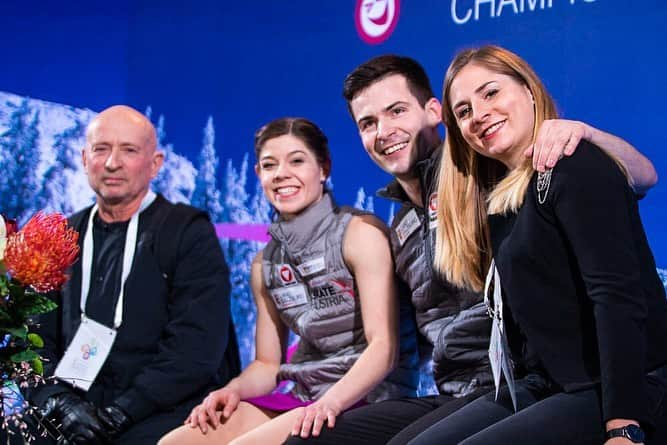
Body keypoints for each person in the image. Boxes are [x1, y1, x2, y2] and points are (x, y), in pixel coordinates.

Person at [284, 55, 658, 445]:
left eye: (396, 111)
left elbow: (640, 183)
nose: (385, 131)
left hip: (524, 382)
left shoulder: (501, 175)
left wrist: (584, 133)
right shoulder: (415, 221)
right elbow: (389, 342)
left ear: (434, 115)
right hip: (479, 389)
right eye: (368, 123)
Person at [414, 44, 667, 445]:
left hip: (625, 386)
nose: (478, 115)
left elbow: (617, 297)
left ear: (529, 90)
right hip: (549, 384)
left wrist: (624, 425)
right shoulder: (500, 199)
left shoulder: (572, 164)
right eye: (463, 111)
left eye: (490, 93)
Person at [158, 117, 419, 445]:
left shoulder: (360, 234)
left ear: (323, 168)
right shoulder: (264, 264)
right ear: (259, 175)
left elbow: (384, 347)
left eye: (297, 161)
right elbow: (268, 364)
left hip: (368, 397)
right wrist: (231, 390)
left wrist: (330, 403)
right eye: (269, 165)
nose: (281, 173)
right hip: (304, 393)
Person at [29, 105, 239, 444]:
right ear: (85, 159)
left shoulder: (187, 232)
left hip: (156, 408)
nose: (112, 163)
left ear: (155, 164)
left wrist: (119, 414)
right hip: (71, 408)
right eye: (101, 149)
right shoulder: (61, 237)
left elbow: (195, 350)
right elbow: (34, 338)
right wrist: (58, 402)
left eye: (129, 150)